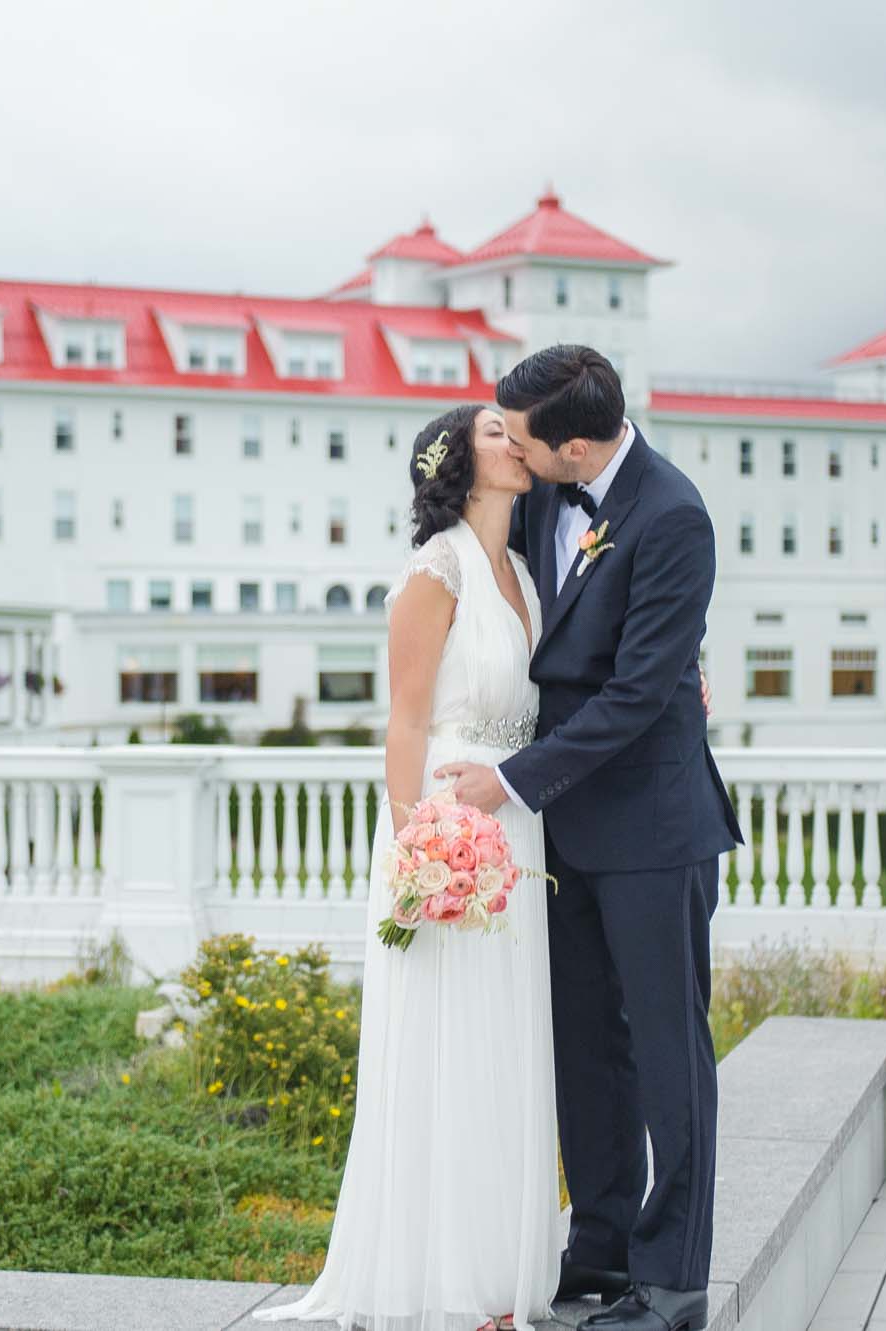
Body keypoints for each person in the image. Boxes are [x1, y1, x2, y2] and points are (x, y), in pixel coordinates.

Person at [437, 346, 742, 1331]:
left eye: (524, 440)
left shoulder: (674, 514)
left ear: (574, 446)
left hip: (652, 825)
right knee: (585, 1049)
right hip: (560, 831)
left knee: (666, 1054)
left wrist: (508, 781)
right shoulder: (541, 496)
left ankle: (672, 1280)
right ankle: (601, 1246)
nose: (513, 453)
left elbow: (637, 692)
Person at [257, 402, 560, 1331]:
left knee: (505, 1045)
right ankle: (443, 1282)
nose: (516, 440)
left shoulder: (522, 569)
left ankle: (500, 1275)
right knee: (450, 1046)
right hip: (448, 822)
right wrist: (417, 846)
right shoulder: (435, 570)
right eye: (496, 432)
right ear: (459, 465)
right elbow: (406, 718)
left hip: (517, 825)